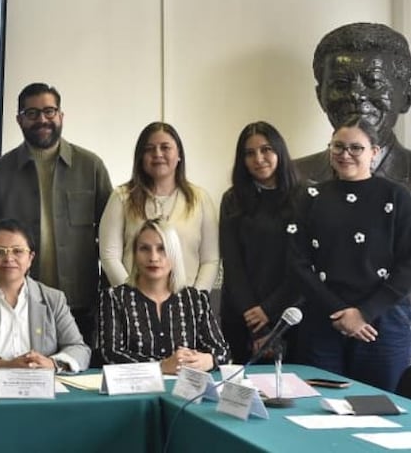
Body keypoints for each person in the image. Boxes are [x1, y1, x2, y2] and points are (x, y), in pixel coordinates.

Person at [0, 83, 112, 342]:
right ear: (19, 120)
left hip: (80, 303)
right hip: (17, 305)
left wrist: (106, 297)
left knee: (77, 374)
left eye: (49, 111)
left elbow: (111, 240)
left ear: (61, 116)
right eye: (32, 113)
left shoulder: (90, 167)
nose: (42, 119)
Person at [288, 117, 411, 392]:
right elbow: (297, 263)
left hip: (382, 322)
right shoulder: (310, 197)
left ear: (374, 152)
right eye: (338, 147)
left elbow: (408, 264)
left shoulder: (397, 197)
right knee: (318, 408)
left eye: (356, 148)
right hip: (323, 319)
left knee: (380, 412)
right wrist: (340, 313)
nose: (345, 155)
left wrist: (364, 314)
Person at [0, 219, 91, 374]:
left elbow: (79, 349)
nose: (8, 258)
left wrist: (51, 363)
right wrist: (6, 365)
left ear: (31, 258)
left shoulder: (54, 299)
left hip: (43, 387)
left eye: (17, 251)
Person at [99, 122, 219, 291]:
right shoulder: (122, 197)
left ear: (179, 155)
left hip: (186, 306)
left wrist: (195, 300)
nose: (157, 154)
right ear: (141, 157)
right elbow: (109, 256)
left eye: (165, 147)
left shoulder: (199, 199)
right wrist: (131, 299)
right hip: (133, 307)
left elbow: (210, 260)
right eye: (149, 149)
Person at [97, 221, 229, 372]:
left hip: (184, 391)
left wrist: (208, 360)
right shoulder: (114, 298)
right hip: (136, 391)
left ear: (174, 254)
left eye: (162, 249)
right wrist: (161, 366)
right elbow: (110, 354)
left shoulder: (195, 299)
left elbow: (222, 351)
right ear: (134, 255)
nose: (153, 257)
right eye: (144, 249)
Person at [219, 122, 301, 363]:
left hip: (290, 313)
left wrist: (270, 309)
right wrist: (256, 320)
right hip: (241, 314)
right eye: (250, 153)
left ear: (279, 151)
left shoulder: (305, 196)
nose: (259, 158)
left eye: (266, 149)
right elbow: (232, 264)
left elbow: (303, 265)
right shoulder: (233, 199)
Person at [295, 23, 411, 188]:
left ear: (406, 97)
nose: (356, 95)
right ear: (320, 96)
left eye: (374, 82)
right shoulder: (290, 177)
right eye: (341, 84)